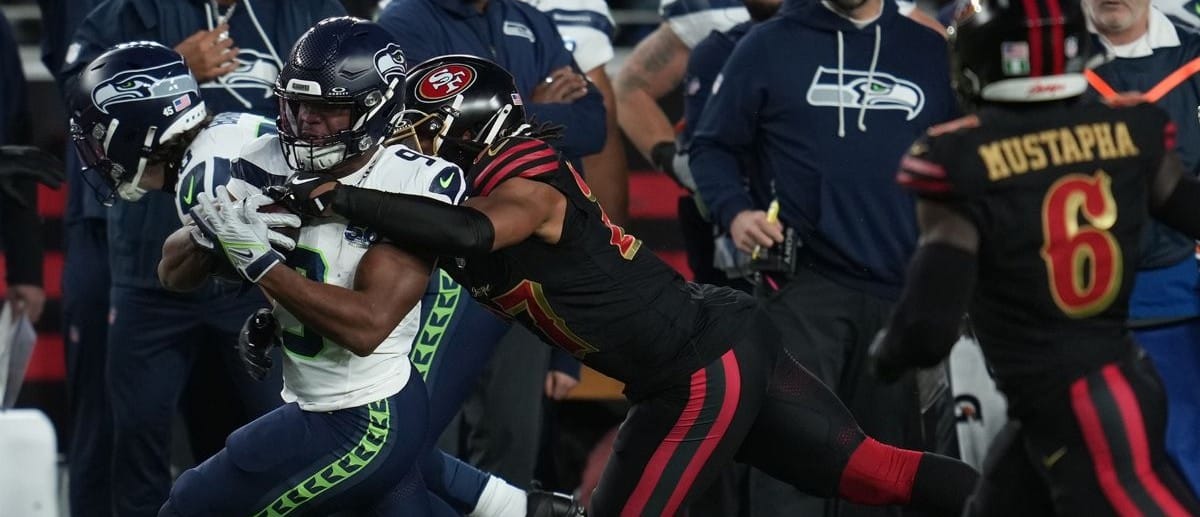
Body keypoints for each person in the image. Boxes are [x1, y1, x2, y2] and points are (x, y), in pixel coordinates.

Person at [271, 53, 980, 517]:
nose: (406, 145)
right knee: (865, 469)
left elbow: (471, 235)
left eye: (422, 131)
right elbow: (411, 266)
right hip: (711, 343)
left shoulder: (521, 178)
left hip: (695, 367)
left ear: (467, 132)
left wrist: (336, 196)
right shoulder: (478, 181)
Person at [867, 0, 1200, 513]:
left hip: (1081, 399)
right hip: (1088, 388)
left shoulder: (962, 158)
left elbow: (927, 328)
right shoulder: (1131, 130)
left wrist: (888, 354)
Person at [61, 2, 345, 514]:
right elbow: (173, 270)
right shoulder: (225, 134)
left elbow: (183, 269)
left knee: (281, 456)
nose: (101, 156)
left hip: (334, 339)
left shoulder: (205, 180)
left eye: (107, 141)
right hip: (311, 323)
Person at [154, 19, 448, 514]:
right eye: (297, 103)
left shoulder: (412, 182)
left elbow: (368, 326)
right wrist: (208, 231)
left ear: (376, 107)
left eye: (328, 107)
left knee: (191, 505)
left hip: (365, 412)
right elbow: (172, 274)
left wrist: (262, 265)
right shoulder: (264, 159)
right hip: (316, 401)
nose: (306, 119)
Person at [378, 0, 603, 489]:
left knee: (512, 444)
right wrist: (539, 107)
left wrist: (500, 113)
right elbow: (420, 137)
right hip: (443, 261)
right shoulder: (405, 22)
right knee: (422, 435)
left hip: (528, 266)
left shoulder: (528, 18)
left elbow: (591, 125)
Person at [1083, 0, 1200, 494]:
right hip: (1080, 309)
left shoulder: (1193, 58)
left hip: (1181, 297)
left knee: (1182, 458)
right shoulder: (1044, 64)